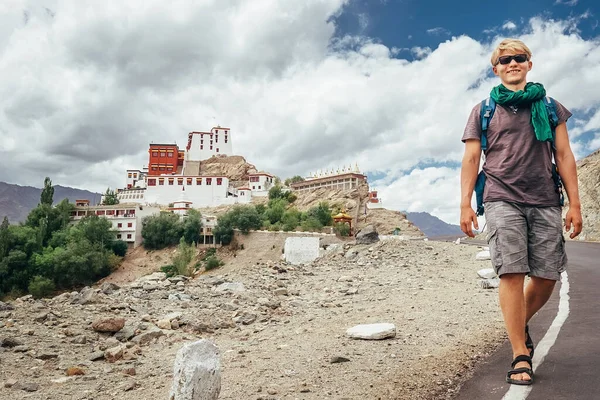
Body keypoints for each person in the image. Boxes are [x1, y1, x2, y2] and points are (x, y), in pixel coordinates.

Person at [459, 38, 583, 385]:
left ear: (529, 64)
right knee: (511, 272)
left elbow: (565, 155)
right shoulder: (483, 109)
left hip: (545, 198)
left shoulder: (550, 106)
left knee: (546, 278)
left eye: (519, 58)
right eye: (505, 60)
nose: (512, 63)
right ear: (495, 68)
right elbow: (471, 158)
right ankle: (520, 354)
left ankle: (517, 323)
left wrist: (575, 203)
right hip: (501, 197)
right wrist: (466, 203)